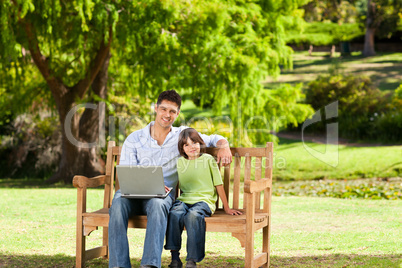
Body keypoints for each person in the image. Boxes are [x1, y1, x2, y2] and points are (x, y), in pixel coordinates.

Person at [108, 90, 232, 268]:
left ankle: (150, 265)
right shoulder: (135, 138)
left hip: (161, 195)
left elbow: (213, 138)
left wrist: (224, 145)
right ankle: (119, 265)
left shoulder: (182, 136)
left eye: (172, 111)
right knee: (118, 203)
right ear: (156, 108)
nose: (167, 115)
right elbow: (127, 172)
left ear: (178, 113)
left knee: (158, 205)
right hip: (132, 194)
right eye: (164, 109)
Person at [165, 128, 242, 268]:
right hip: (184, 200)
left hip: (204, 201)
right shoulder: (180, 162)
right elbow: (175, 184)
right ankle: (175, 258)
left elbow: (218, 185)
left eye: (194, 142)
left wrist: (227, 207)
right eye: (186, 145)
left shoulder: (208, 160)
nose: (191, 147)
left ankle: (191, 260)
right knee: (175, 213)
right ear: (182, 148)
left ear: (200, 143)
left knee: (193, 216)